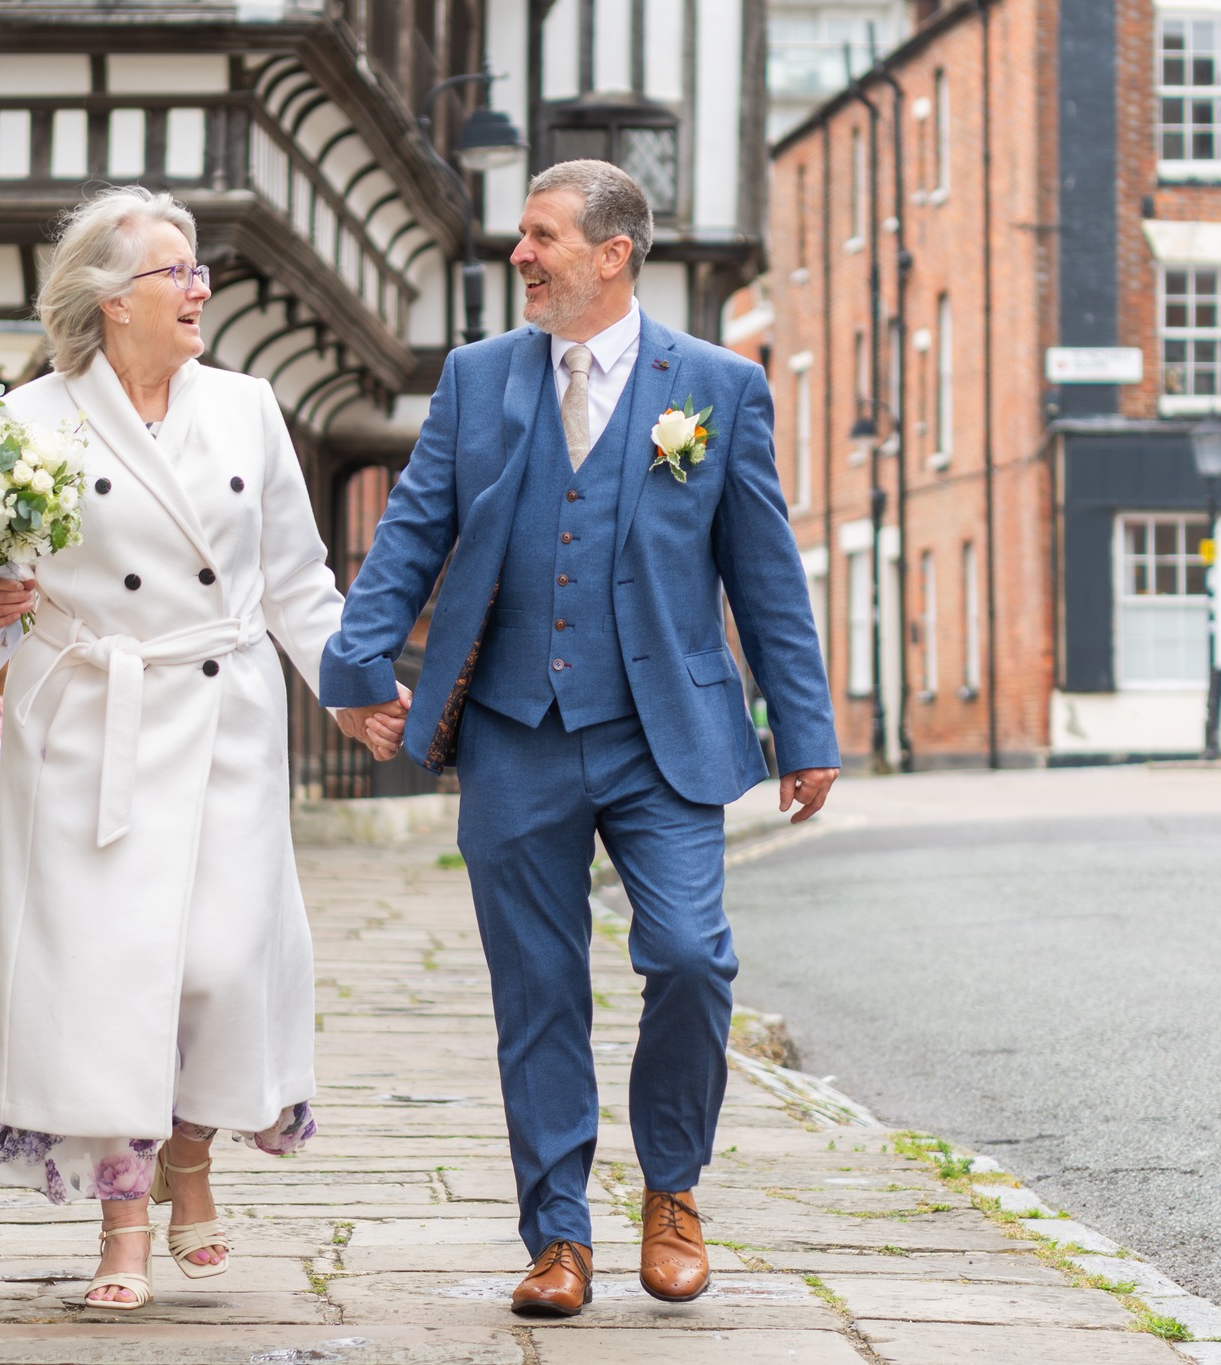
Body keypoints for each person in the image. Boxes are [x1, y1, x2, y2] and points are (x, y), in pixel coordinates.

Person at [322, 160, 840, 1317]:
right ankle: (556, 1237)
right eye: (522, 236)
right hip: (514, 731)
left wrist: (802, 729)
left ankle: (670, 1190)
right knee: (538, 988)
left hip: (666, 735)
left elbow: (763, 574)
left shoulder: (714, 386)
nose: (520, 255)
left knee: (693, 959)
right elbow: (410, 531)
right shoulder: (476, 380)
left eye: (541, 236)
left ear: (611, 254)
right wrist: (354, 669)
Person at [0, 186, 394, 1311]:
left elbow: (295, 578)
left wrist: (344, 689)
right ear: (110, 299)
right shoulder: (31, 420)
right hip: (88, 717)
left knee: (219, 964)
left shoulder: (246, 407)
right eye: (175, 272)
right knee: (109, 979)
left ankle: (190, 1150)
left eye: (199, 272)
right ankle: (123, 1222)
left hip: (221, 709)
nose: (199, 289)